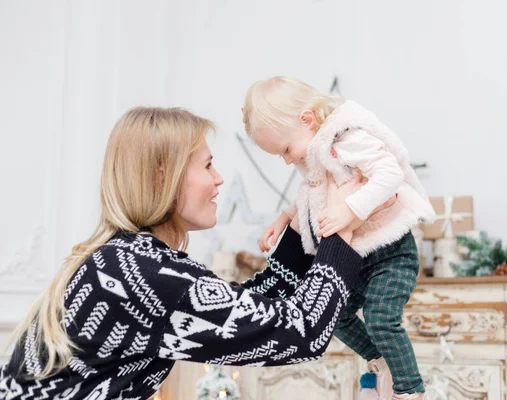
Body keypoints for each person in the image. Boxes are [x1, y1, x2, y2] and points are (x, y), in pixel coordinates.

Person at [0, 107, 391, 400]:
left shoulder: (126, 259)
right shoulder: (143, 274)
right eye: (207, 165)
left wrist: (301, 225)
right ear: (161, 176)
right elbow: (301, 332)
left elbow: (252, 311)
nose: (218, 178)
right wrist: (341, 227)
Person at [243, 76, 435, 400]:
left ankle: (410, 389)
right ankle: (380, 361)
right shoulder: (314, 153)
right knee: (336, 315)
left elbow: (390, 174)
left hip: (390, 252)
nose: (288, 160)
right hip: (359, 258)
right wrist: (284, 218)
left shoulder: (346, 138)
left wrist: (349, 211)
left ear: (306, 119)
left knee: (381, 319)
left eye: (286, 150)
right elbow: (310, 193)